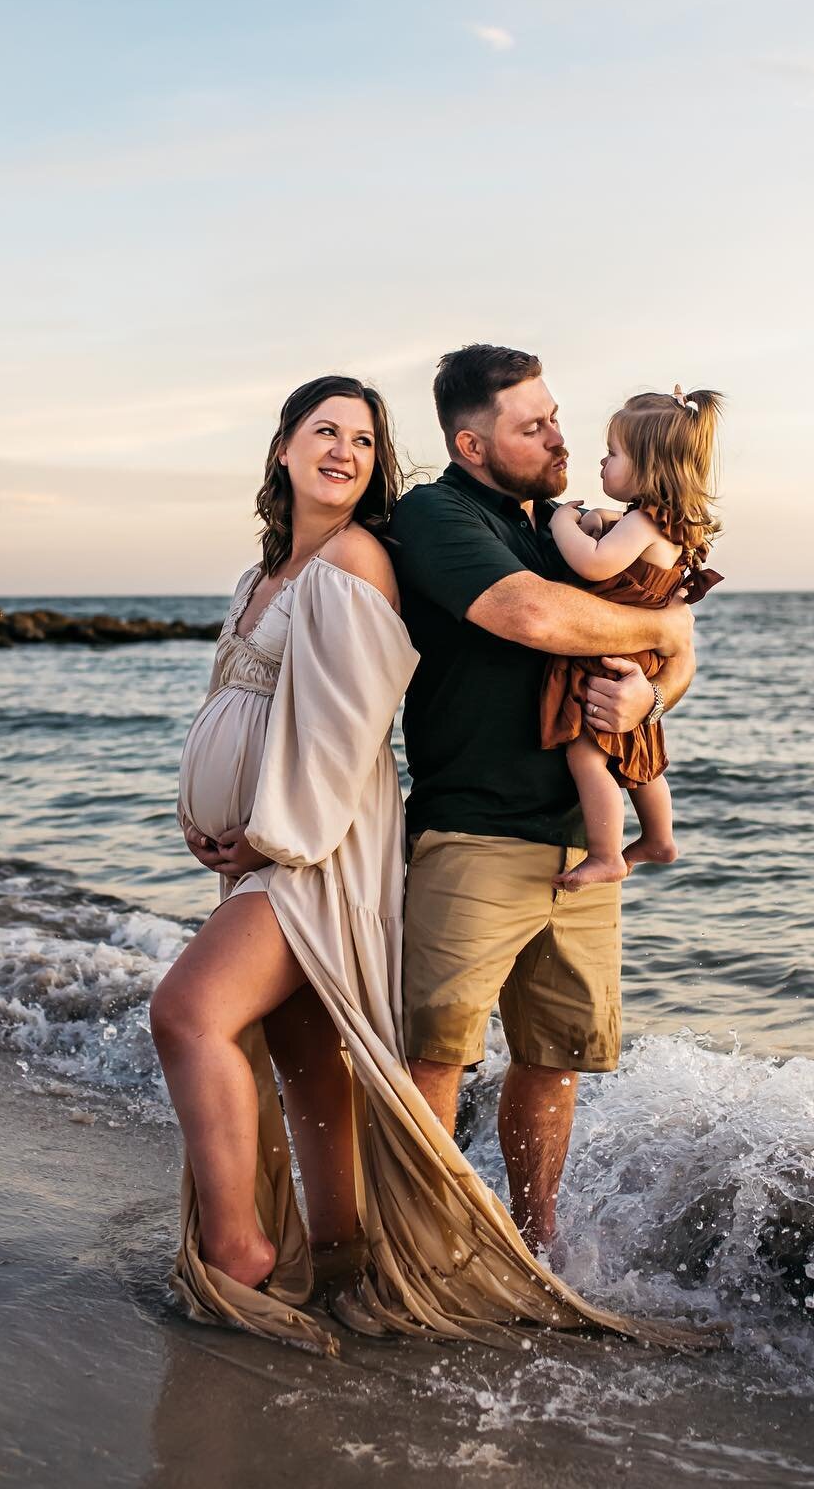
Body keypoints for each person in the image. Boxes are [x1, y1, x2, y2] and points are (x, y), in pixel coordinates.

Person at [149, 373, 711, 1357]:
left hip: (399, 844)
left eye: (363, 439)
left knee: (212, 1021)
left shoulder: (470, 540)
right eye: (324, 432)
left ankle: (317, 1253)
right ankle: (381, 1257)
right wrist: (211, 814)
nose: (345, 453)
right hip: (356, 841)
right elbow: (526, 621)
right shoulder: (366, 543)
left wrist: (663, 672)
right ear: (280, 447)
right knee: (353, 1059)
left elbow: (353, 724)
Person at [387, 345, 697, 1251]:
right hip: (474, 831)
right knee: (439, 1052)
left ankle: (536, 1244)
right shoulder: (437, 514)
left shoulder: (570, 525)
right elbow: (532, 616)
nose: (559, 436)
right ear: (472, 443)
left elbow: (666, 669)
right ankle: (422, 1247)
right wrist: (666, 628)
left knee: (554, 1056)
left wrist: (652, 691)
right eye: (534, 426)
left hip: (579, 839)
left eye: (557, 416)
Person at [540, 386, 725, 889]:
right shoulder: (662, 525)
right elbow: (617, 534)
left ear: (649, 468)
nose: (602, 461)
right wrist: (600, 518)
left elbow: (594, 561)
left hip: (610, 656)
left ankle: (605, 854)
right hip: (638, 662)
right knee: (640, 750)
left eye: (614, 453)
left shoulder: (642, 522)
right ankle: (659, 837)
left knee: (586, 753)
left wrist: (562, 521)